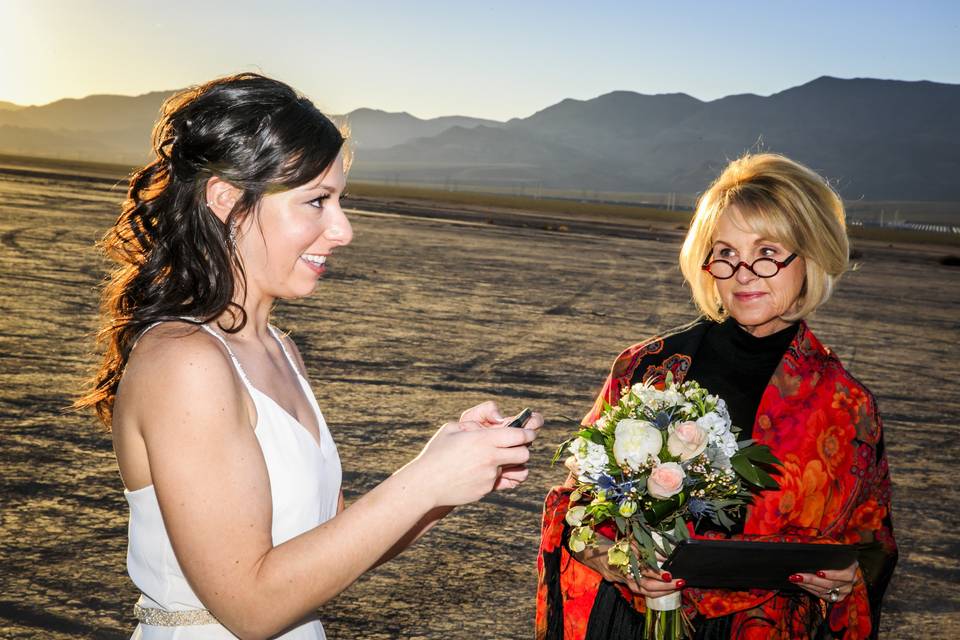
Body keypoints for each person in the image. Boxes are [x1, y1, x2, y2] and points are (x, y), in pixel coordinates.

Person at [76, 73, 541, 640]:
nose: (342, 229)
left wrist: (450, 475)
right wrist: (422, 481)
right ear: (227, 201)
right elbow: (250, 607)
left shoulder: (280, 349)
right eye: (316, 201)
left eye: (339, 200)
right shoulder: (185, 361)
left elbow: (331, 549)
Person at [536, 153, 897, 640]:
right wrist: (615, 562)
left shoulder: (847, 407)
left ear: (811, 256)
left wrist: (844, 580)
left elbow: (871, 545)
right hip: (631, 619)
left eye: (768, 251)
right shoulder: (647, 368)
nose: (743, 272)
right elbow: (576, 504)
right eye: (725, 252)